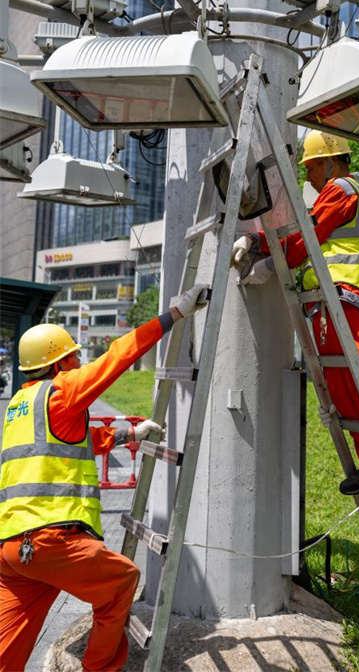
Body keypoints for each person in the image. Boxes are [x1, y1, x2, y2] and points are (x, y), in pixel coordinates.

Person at [0, 283, 207, 672]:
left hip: (12, 551)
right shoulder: (61, 391)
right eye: (74, 357)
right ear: (57, 363)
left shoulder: (19, 405)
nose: (78, 363)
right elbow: (118, 356)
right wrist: (175, 313)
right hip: (50, 541)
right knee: (122, 581)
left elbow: (74, 440)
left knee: (5, 648)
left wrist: (131, 433)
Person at [232, 129, 359, 515]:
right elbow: (305, 238)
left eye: (313, 168)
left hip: (346, 299)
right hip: (329, 304)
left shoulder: (343, 188)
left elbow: (305, 236)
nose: (310, 178)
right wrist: (262, 248)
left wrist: (261, 250)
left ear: (332, 162)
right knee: (344, 389)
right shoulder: (335, 190)